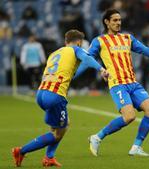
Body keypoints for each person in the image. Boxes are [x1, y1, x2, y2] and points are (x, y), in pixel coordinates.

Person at [12, 29, 109, 167]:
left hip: (41, 93)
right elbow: (87, 59)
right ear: (80, 42)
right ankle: (21, 151)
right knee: (59, 132)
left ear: (65, 41)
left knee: (60, 126)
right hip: (55, 95)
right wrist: (101, 69)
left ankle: (49, 157)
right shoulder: (75, 49)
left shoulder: (54, 53)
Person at [88, 9, 149, 156]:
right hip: (117, 84)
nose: (118, 23)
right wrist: (101, 69)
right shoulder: (99, 40)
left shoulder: (128, 38)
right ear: (106, 22)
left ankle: (136, 147)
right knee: (129, 116)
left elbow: (148, 52)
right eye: (115, 20)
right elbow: (88, 56)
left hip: (133, 83)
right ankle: (97, 137)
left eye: (119, 20)